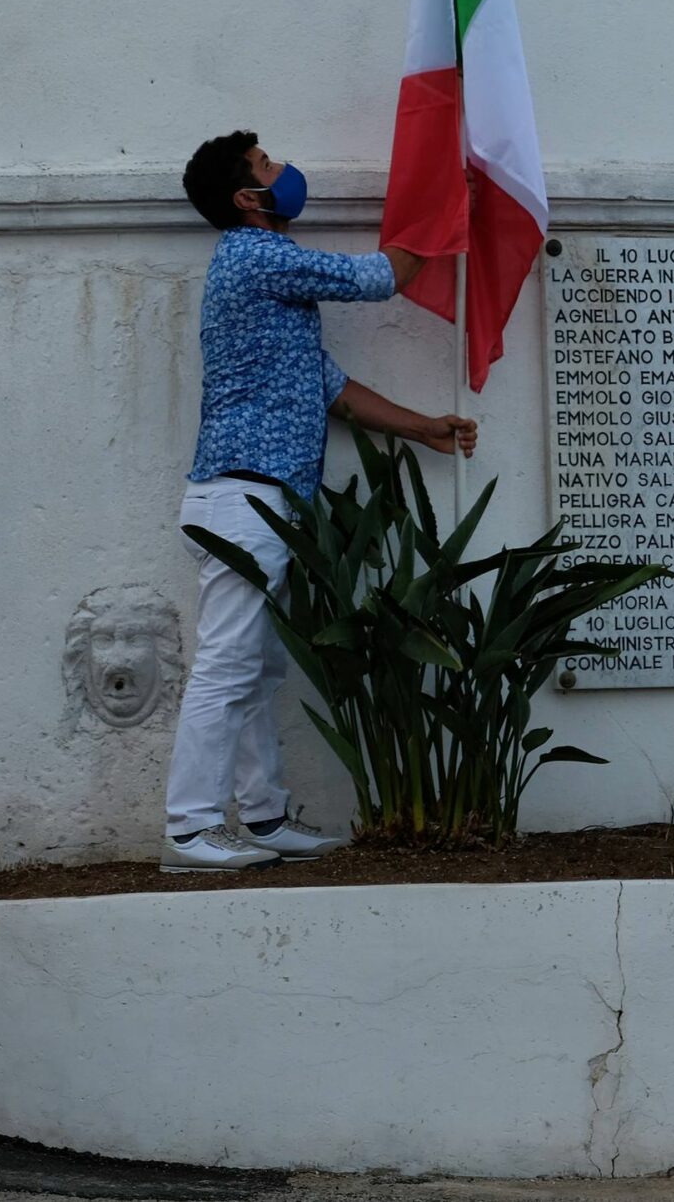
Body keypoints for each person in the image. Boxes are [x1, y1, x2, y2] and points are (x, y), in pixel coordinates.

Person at [163, 131, 477, 871]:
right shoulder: (252, 252)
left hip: (262, 502)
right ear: (249, 198)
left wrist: (423, 427)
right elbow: (379, 278)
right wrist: (437, 207)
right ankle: (188, 829)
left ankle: (264, 818)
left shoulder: (271, 283)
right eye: (268, 165)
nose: (284, 170)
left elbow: (331, 388)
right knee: (226, 664)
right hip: (245, 497)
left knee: (259, 667)